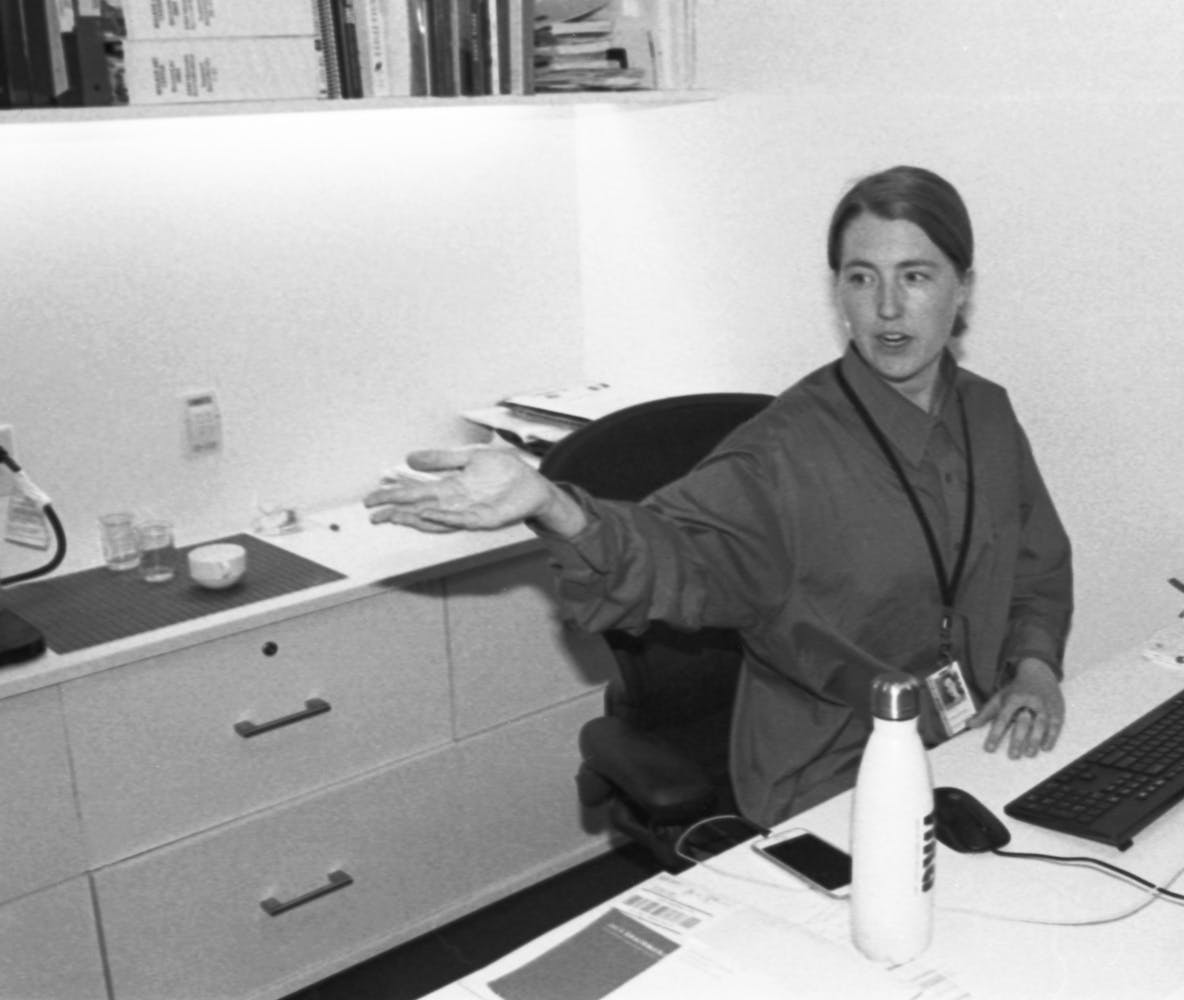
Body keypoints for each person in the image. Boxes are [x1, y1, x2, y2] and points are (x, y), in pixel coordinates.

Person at [365, 165, 1074, 828]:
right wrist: (555, 504)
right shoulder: (780, 453)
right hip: (834, 776)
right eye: (862, 278)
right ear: (839, 296)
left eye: (915, 276)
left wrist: (1035, 669)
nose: (887, 306)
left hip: (968, 743)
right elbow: (668, 555)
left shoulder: (988, 415)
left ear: (963, 288)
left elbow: (1037, 567)